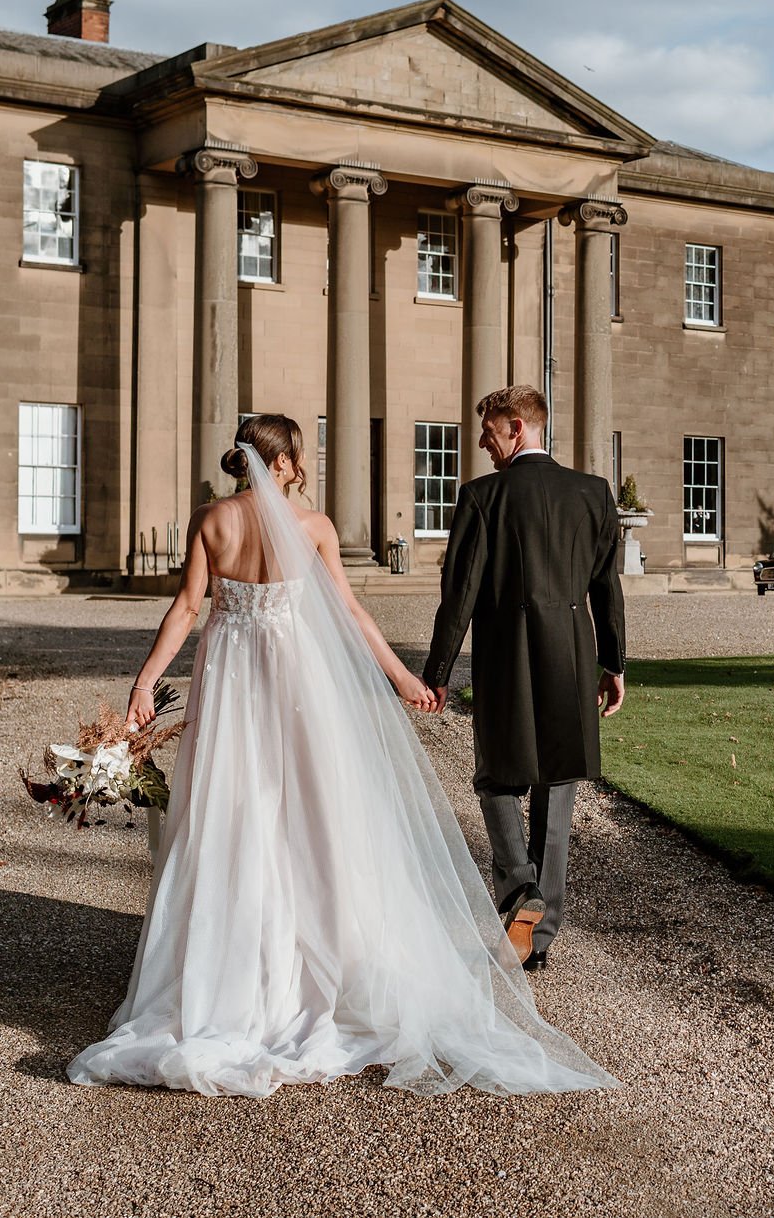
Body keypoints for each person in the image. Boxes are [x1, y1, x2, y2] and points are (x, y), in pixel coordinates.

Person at [67, 413, 614, 1098]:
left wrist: (146, 681)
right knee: (317, 813)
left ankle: (232, 966)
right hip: (298, 684)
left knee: (235, 812)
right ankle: (318, 957)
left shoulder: (211, 520)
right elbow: (353, 614)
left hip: (234, 680)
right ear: (287, 463)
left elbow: (185, 609)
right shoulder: (315, 527)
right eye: (300, 456)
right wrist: (406, 680)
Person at [422, 386, 626, 973]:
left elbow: (458, 598)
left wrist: (438, 674)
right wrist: (613, 664)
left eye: (488, 431)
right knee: (557, 785)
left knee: (498, 778)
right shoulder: (592, 494)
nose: (483, 443)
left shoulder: (482, 497)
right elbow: (607, 590)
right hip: (570, 650)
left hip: (505, 654)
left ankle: (519, 898)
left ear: (517, 427)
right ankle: (539, 933)